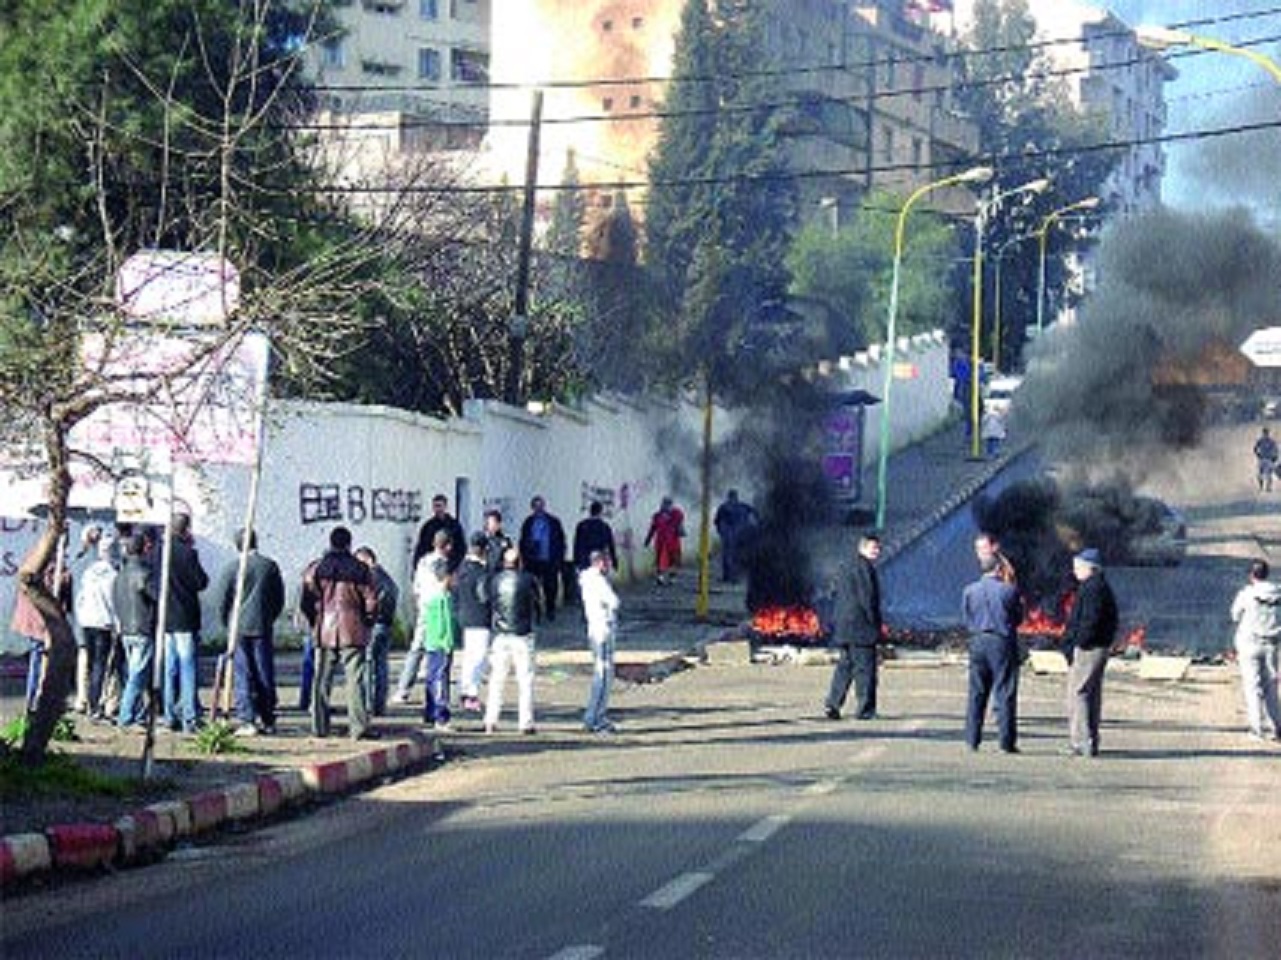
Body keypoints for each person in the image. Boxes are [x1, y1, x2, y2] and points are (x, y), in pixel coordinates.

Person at [304, 526, 377, 740]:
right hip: (353, 628)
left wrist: (314, 621)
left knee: (321, 680)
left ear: (330, 542)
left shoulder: (316, 568)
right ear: (349, 544)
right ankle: (358, 728)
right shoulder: (361, 569)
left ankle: (319, 727)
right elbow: (371, 602)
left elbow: (306, 601)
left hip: (324, 628)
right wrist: (367, 623)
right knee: (354, 680)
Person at [218, 529, 285, 736]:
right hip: (262, 625)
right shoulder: (269, 566)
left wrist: (226, 623)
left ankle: (247, 718)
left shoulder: (232, 568)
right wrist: (269, 617)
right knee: (264, 671)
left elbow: (223, 599)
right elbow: (278, 598)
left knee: (243, 672)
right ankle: (267, 716)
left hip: (238, 626)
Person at [961, 552, 1024, 753]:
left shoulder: (969, 591)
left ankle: (972, 739)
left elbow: (966, 617)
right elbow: (1018, 618)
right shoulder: (1009, 591)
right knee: (1004, 691)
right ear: (998, 569)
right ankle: (1006, 742)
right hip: (1001, 641)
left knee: (976, 691)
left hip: (977, 641)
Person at [1061, 548, 1118, 758]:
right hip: (1098, 646)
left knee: (1079, 693)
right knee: (1090, 695)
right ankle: (1089, 740)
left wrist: (1078, 643)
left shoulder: (1092, 589)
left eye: (1077, 567)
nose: (1074, 571)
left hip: (1089, 648)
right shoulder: (1098, 586)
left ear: (1090, 567)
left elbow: (1089, 620)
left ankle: (1081, 742)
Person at [824, 534, 884, 722]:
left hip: (844, 626)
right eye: (874, 548)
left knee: (845, 667)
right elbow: (868, 599)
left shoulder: (845, 566)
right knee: (865, 670)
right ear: (863, 548)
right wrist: (876, 625)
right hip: (862, 628)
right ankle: (865, 709)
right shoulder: (866, 569)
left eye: (878, 548)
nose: (877, 552)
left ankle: (832, 703)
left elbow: (836, 593)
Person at [158, 513, 209, 734]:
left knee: (170, 668)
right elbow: (201, 582)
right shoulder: (188, 553)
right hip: (185, 617)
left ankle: (169, 715)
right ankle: (189, 716)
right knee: (187, 667)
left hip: (165, 617)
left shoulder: (158, 553)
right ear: (186, 529)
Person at [484, 546, 542, 735]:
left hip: (500, 634)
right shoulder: (528, 580)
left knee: (497, 679)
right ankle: (525, 722)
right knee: (525, 680)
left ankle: (491, 720)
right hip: (522, 634)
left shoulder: (495, 581)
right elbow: (537, 604)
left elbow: (488, 601)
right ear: (519, 562)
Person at [1228, 559, 1281, 743]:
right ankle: (1277, 727)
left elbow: (1235, 615)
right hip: (1272, 645)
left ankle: (1257, 729)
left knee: (1253, 687)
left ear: (1252, 575)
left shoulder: (1246, 594)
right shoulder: (1279, 593)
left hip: (1249, 644)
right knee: (1272, 687)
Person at [113, 534, 158, 730]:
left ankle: (137, 714)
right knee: (137, 674)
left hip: (126, 629)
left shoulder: (119, 575)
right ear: (143, 549)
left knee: (134, 671)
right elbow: (156, 597)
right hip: (141, 627)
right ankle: (127, 716)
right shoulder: (145, 573)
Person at [414, 530, 456, 730]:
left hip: (426, 614)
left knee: (432, 669)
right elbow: (444, 586)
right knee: (441, 670)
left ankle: (430, 712)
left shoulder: (423, 562)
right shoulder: (441, 568)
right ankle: (441, 715)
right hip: (438, 620)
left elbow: (416, 590)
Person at [74, 534, 118, 722]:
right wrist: (117, 624)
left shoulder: (89, 571)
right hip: (104, 623)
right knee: (101, 665)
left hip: (87, 622)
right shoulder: (113, 575)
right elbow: (114, 602)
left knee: (91, 664)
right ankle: (95, 704)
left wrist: (81, 616)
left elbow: (80, 598)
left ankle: (89, 702)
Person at [579, 549, 621, 734]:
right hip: (602, 629)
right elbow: (614, 601)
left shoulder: (586, 578)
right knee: (603, 674)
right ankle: (596, 717)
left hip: (595, 628)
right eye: (607, 562)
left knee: (602, 672)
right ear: (600, 563)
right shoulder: (598, 581)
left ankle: (595, 716)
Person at [356, 546, 399, 718]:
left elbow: (369, 602)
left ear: (367, 559)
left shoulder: (371, 577)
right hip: (386, 624)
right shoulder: (387, 577)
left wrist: (367, 618)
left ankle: (368, 704)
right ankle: (380, 705)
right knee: (381, 666)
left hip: (373, 625)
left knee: (368, 665)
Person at [453, 532, 493, 713]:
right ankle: (471, 694)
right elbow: (485, 596)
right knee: (479, 658)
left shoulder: (461, 569)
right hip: (480, 617)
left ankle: (464, 690)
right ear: (484, 550)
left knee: (469, 657)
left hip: (463, 616)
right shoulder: (482, 572)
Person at [519, 495, 567, 621]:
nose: (538, 509)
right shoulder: (528, 523)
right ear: (532, 508)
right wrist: (524, 557)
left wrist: (560, 559)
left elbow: (561, 541)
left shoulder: (553, 522)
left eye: (540, 506)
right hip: (533, 560)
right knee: (533, 587)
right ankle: (537, 610)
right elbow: (523, 541)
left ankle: (550, 609)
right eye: (536, 506)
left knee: (550, 587)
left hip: (549, 559)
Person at [412, 493, 466, 572]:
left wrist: (453, 566)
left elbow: (461, 548)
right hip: (431, 566)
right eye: (435, 506)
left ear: (445, 507)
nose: (437, 509)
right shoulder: (428, 526)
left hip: (450, 566)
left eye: (439, 506)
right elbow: (421, 547)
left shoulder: (454, 526)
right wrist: (417, 565)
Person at [713, 489, 758, 583]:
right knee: (735, 557)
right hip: (739, 536)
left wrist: (721, 531)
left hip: (731, 536)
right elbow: (755, 513)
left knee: (729, 556)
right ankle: (733, 577)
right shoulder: (743, 506)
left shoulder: (724, 507)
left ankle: (730, 577)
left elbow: (716, 521)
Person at [644, 496, 685, 585]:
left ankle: (672, 578)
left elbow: (680, 527)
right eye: (664, 504)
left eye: (668, 504)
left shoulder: (677, 514)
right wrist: (647, 540)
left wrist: (680, 530)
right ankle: (660, 577)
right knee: (660, 560)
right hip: (661, 541)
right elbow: (652, 528)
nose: (666, 506)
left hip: (673, 542)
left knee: (674, 560)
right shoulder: (657, 516)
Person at [573, 500, 618, 572]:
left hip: (585, 561)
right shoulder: (605, 527)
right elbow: (611, 546)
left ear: (590, 511)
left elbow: (577, 545)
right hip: (600, 560)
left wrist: (576, 562)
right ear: (600, 512)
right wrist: (614, 562)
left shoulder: (582, 525)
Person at [481, 509, 514, 574]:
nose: (490, 526)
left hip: (500, 575)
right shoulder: (484, 540)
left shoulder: (505, 541)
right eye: (488, 523)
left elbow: (510, 559)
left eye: (492, 523)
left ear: (498, 524)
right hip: (486, 576)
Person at [1253, 427, 1278, 492]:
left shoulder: (1272, 441)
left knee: (1269, 474)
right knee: (1259, 474)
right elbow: (1255, 448)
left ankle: (1268, 488)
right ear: (1263, 433)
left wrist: (1275, 457)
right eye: (1264, 432)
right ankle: (1260, 487)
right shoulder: (1260, 440)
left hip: (1269, 459)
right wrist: (1258, 454)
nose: (1265, 434)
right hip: (1262, 459)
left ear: (1268, 433)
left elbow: (1276, 449)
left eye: (1266, 432)